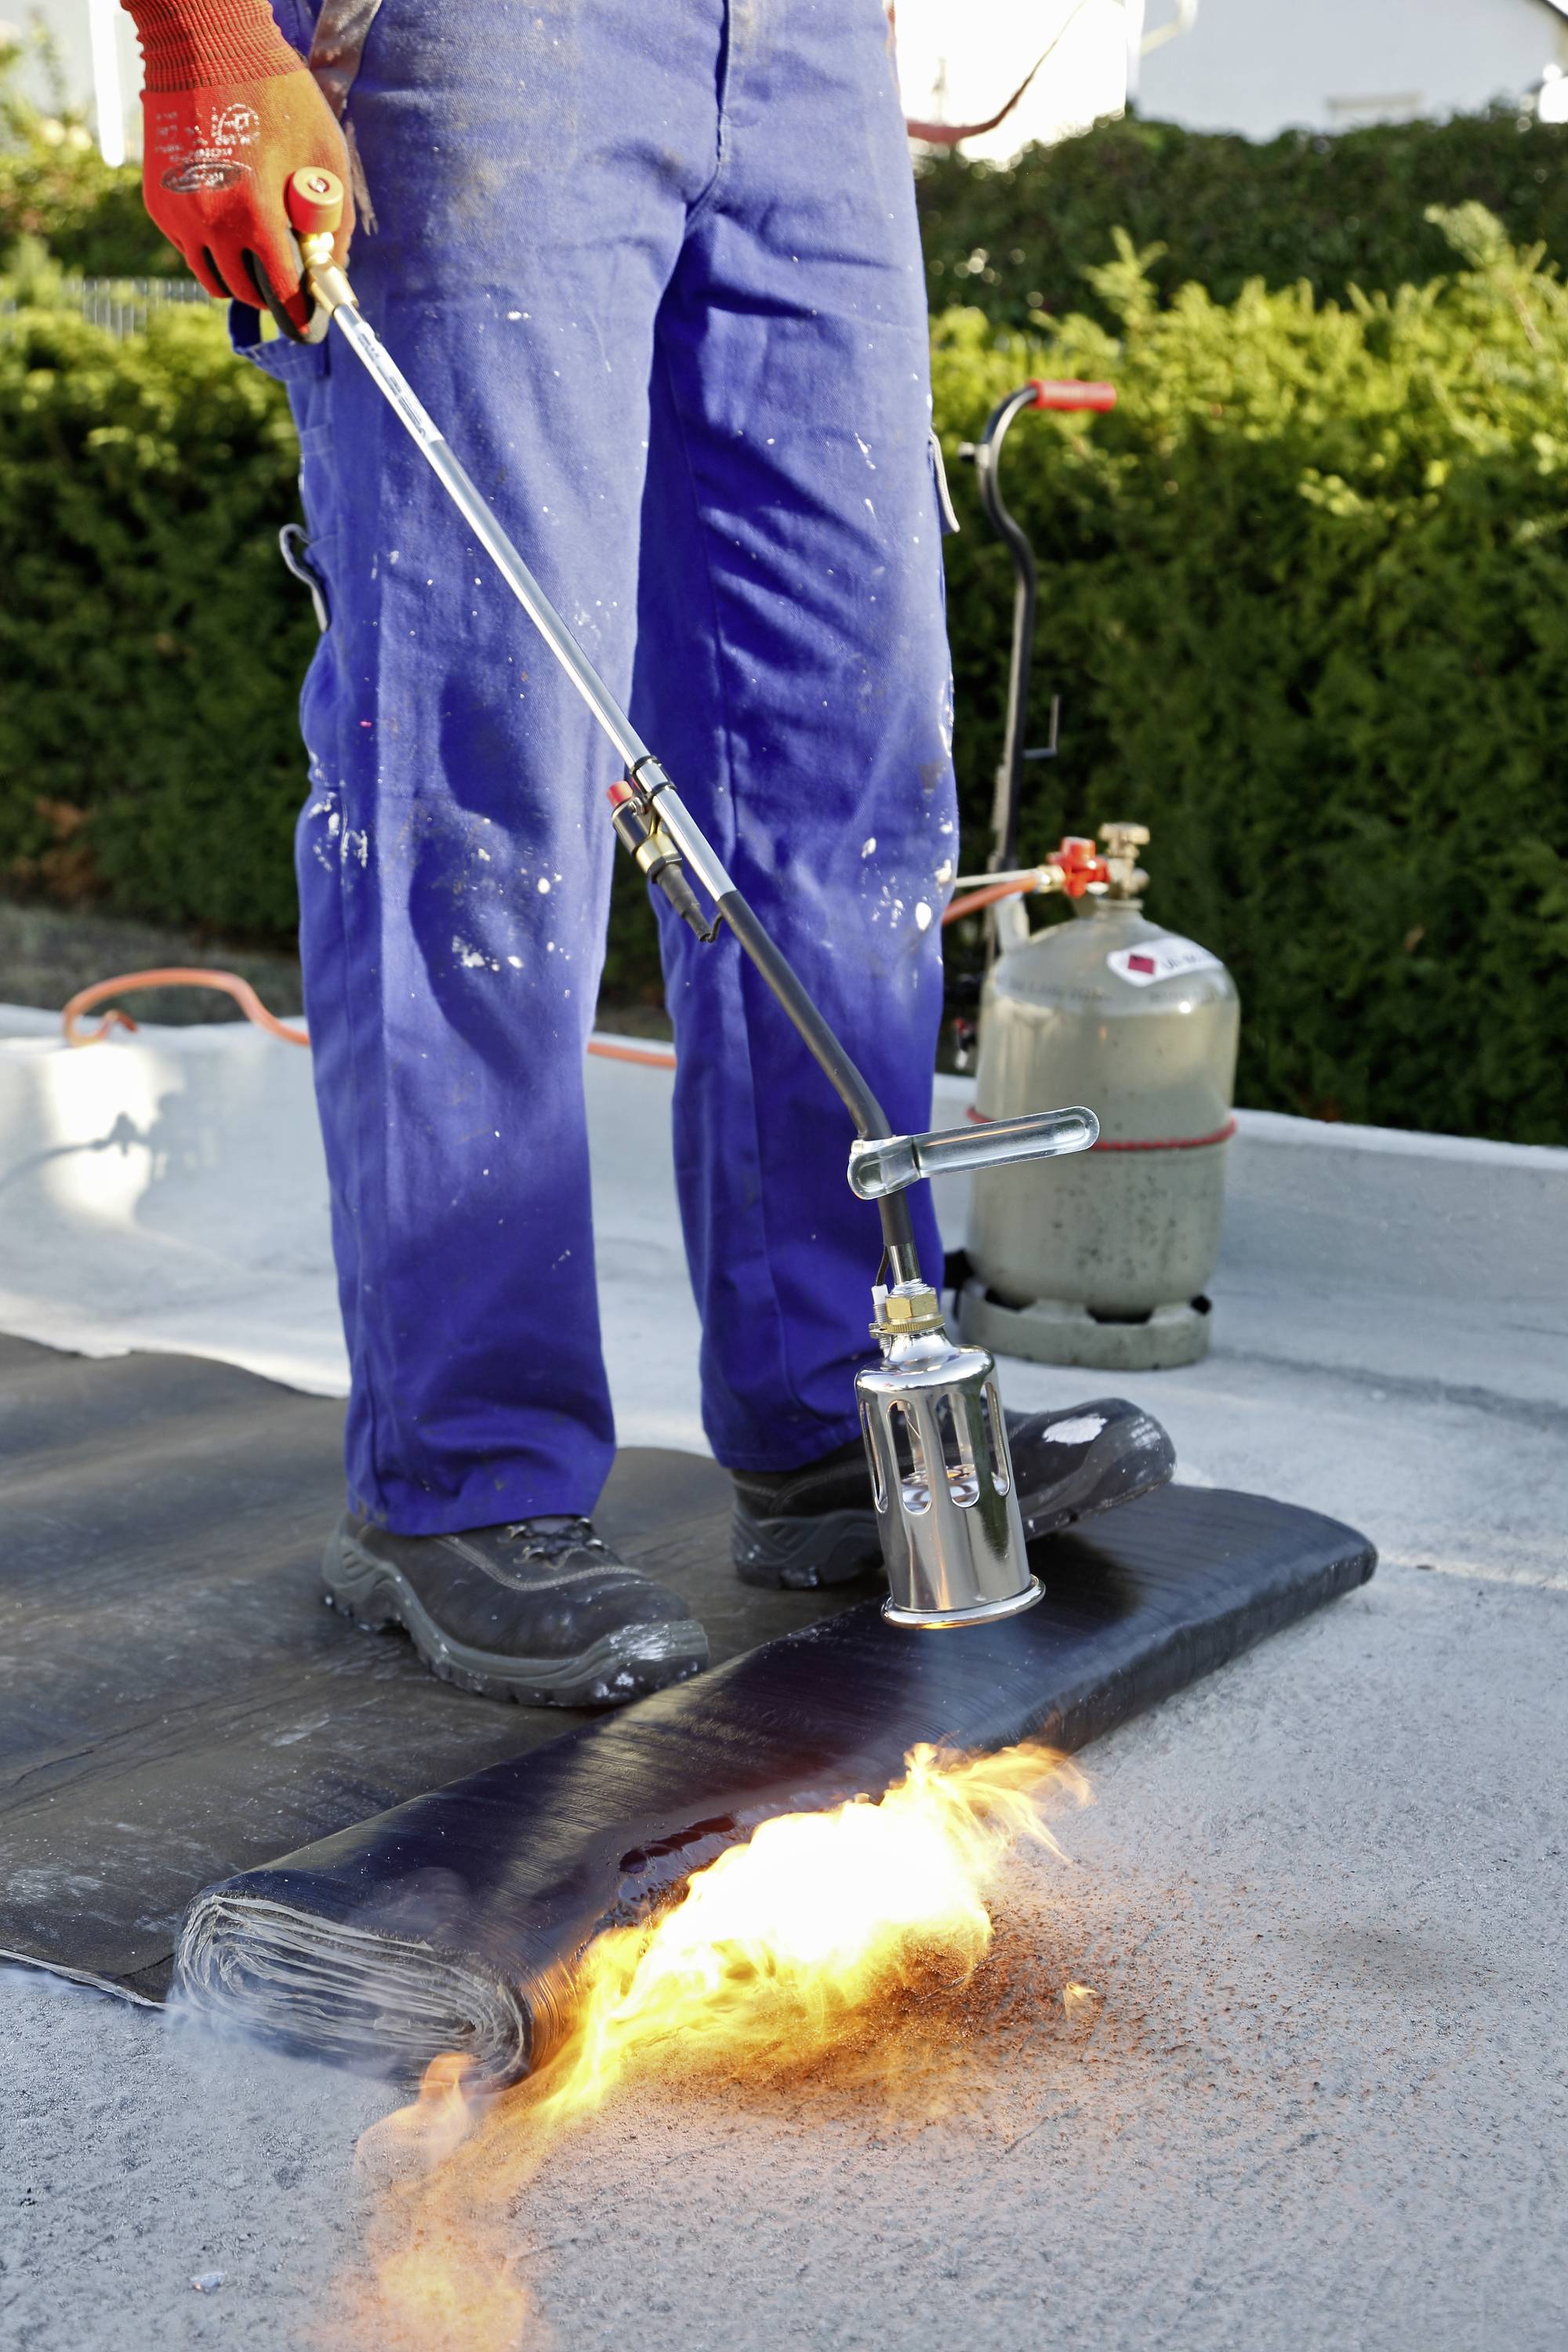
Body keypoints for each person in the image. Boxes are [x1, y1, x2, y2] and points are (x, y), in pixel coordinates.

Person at [122, 0, 1174, 1708]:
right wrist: (201, 38)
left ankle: (833, 1405)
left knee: (836, 758)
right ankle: (462, 1483)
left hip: (803, 48)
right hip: (474, 38)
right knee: (478, 770)